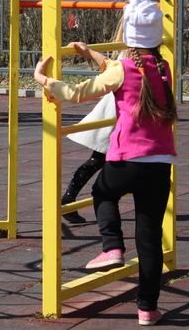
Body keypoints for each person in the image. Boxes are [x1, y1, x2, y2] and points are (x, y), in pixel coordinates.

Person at [34, 0, 177, 326]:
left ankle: (112, 246)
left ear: (129, 36)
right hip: (160, 163)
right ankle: (147, 309)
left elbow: (74, 93)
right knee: (150, 237)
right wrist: (91, 53)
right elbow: (119, 69)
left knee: (102, 192)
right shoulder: (162, 68)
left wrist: (42, 79)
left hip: (127, 159)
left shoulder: (124, 71)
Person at [62, 16, 125, 224]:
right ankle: (74, 198)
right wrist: (87, 51)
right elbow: (110, 67)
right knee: (99, 160)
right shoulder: (134, 53)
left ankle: (73, 198)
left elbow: (108, 66)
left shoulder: (133, 52)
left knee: (102, 160)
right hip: (116, 112)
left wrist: (88, 51)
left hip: (120, 111)